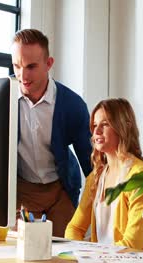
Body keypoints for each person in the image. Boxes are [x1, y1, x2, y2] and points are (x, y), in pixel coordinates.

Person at [11, 29, 92, 237]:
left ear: (49, 64)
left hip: (61, 190)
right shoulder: (4, 99)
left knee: (62, 252)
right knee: (26, 253)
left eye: (31, 66)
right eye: (17, 66)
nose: (23, 75)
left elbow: (91, 163)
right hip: (23, 189)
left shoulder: (73, 105)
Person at [64, 98, 143, 250]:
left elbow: (131, 246)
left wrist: (92, 253)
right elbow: (74, 229)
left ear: (123, 127)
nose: (96, 132)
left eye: (104, 124)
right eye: (95, 125)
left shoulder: (142, 178)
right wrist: (81, 253)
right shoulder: (96, 177)